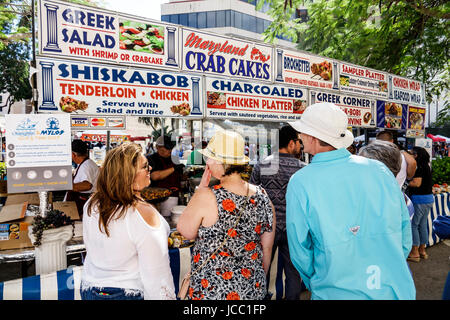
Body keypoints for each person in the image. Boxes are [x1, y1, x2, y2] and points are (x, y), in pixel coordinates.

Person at [286, 102, 415, 300]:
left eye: (302, 132)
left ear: (311, 137)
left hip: (336, 291)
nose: (300, 137)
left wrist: (319, 280)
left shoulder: (301, 181)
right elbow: (404, 231)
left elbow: (300, 250)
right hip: (394, 289)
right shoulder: (379, 170)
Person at [177, 130, 276, 300]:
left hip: (211, 290)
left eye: (210, 157)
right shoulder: (262, 195)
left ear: (222, 162)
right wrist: (253, 281)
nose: (207, 162)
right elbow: (266, 248)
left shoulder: (206, 195)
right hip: (252, 289)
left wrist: (201, 188)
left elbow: (185, 231)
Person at [81, 142, 176, 300]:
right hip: (126, 292)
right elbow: (157, 274)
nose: (150, 169)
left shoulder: (92, 204)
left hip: (90, 288)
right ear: (128, 174)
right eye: (145, 166)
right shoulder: (143, 213)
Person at [249, 125, 306, 300]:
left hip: (267, 228)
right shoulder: (302, 168)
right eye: (298, 142)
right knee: (293, 273)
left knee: (261, 269)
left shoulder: (262, 164)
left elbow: (252, 195)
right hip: (292, 228)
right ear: (290, 143)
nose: (300, 146)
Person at [406, 146, 434, 262]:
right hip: (428, 198)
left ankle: (415, 252)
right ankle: (422, 250)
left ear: (416, 155)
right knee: (422, 225)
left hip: (419, 199)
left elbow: (416, 183)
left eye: (411, 154)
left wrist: (405, 181)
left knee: (414, 225)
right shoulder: (427, 166)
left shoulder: (419, 167)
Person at [147, 135, 184, 218]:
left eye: (170, 150)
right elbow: (154, 176)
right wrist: (174, 168)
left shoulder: (174, 158)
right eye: (165, 150)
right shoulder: (152, 159)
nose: (168, 152)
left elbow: (181, 177)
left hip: (174, 195)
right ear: (157, 147)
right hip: (158, 199)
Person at [65, 139, 99, 219]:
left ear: (73, 154)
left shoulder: (86, 166)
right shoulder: (86, 164)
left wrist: (67, 185)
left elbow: (87, 185)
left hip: (82, 206)